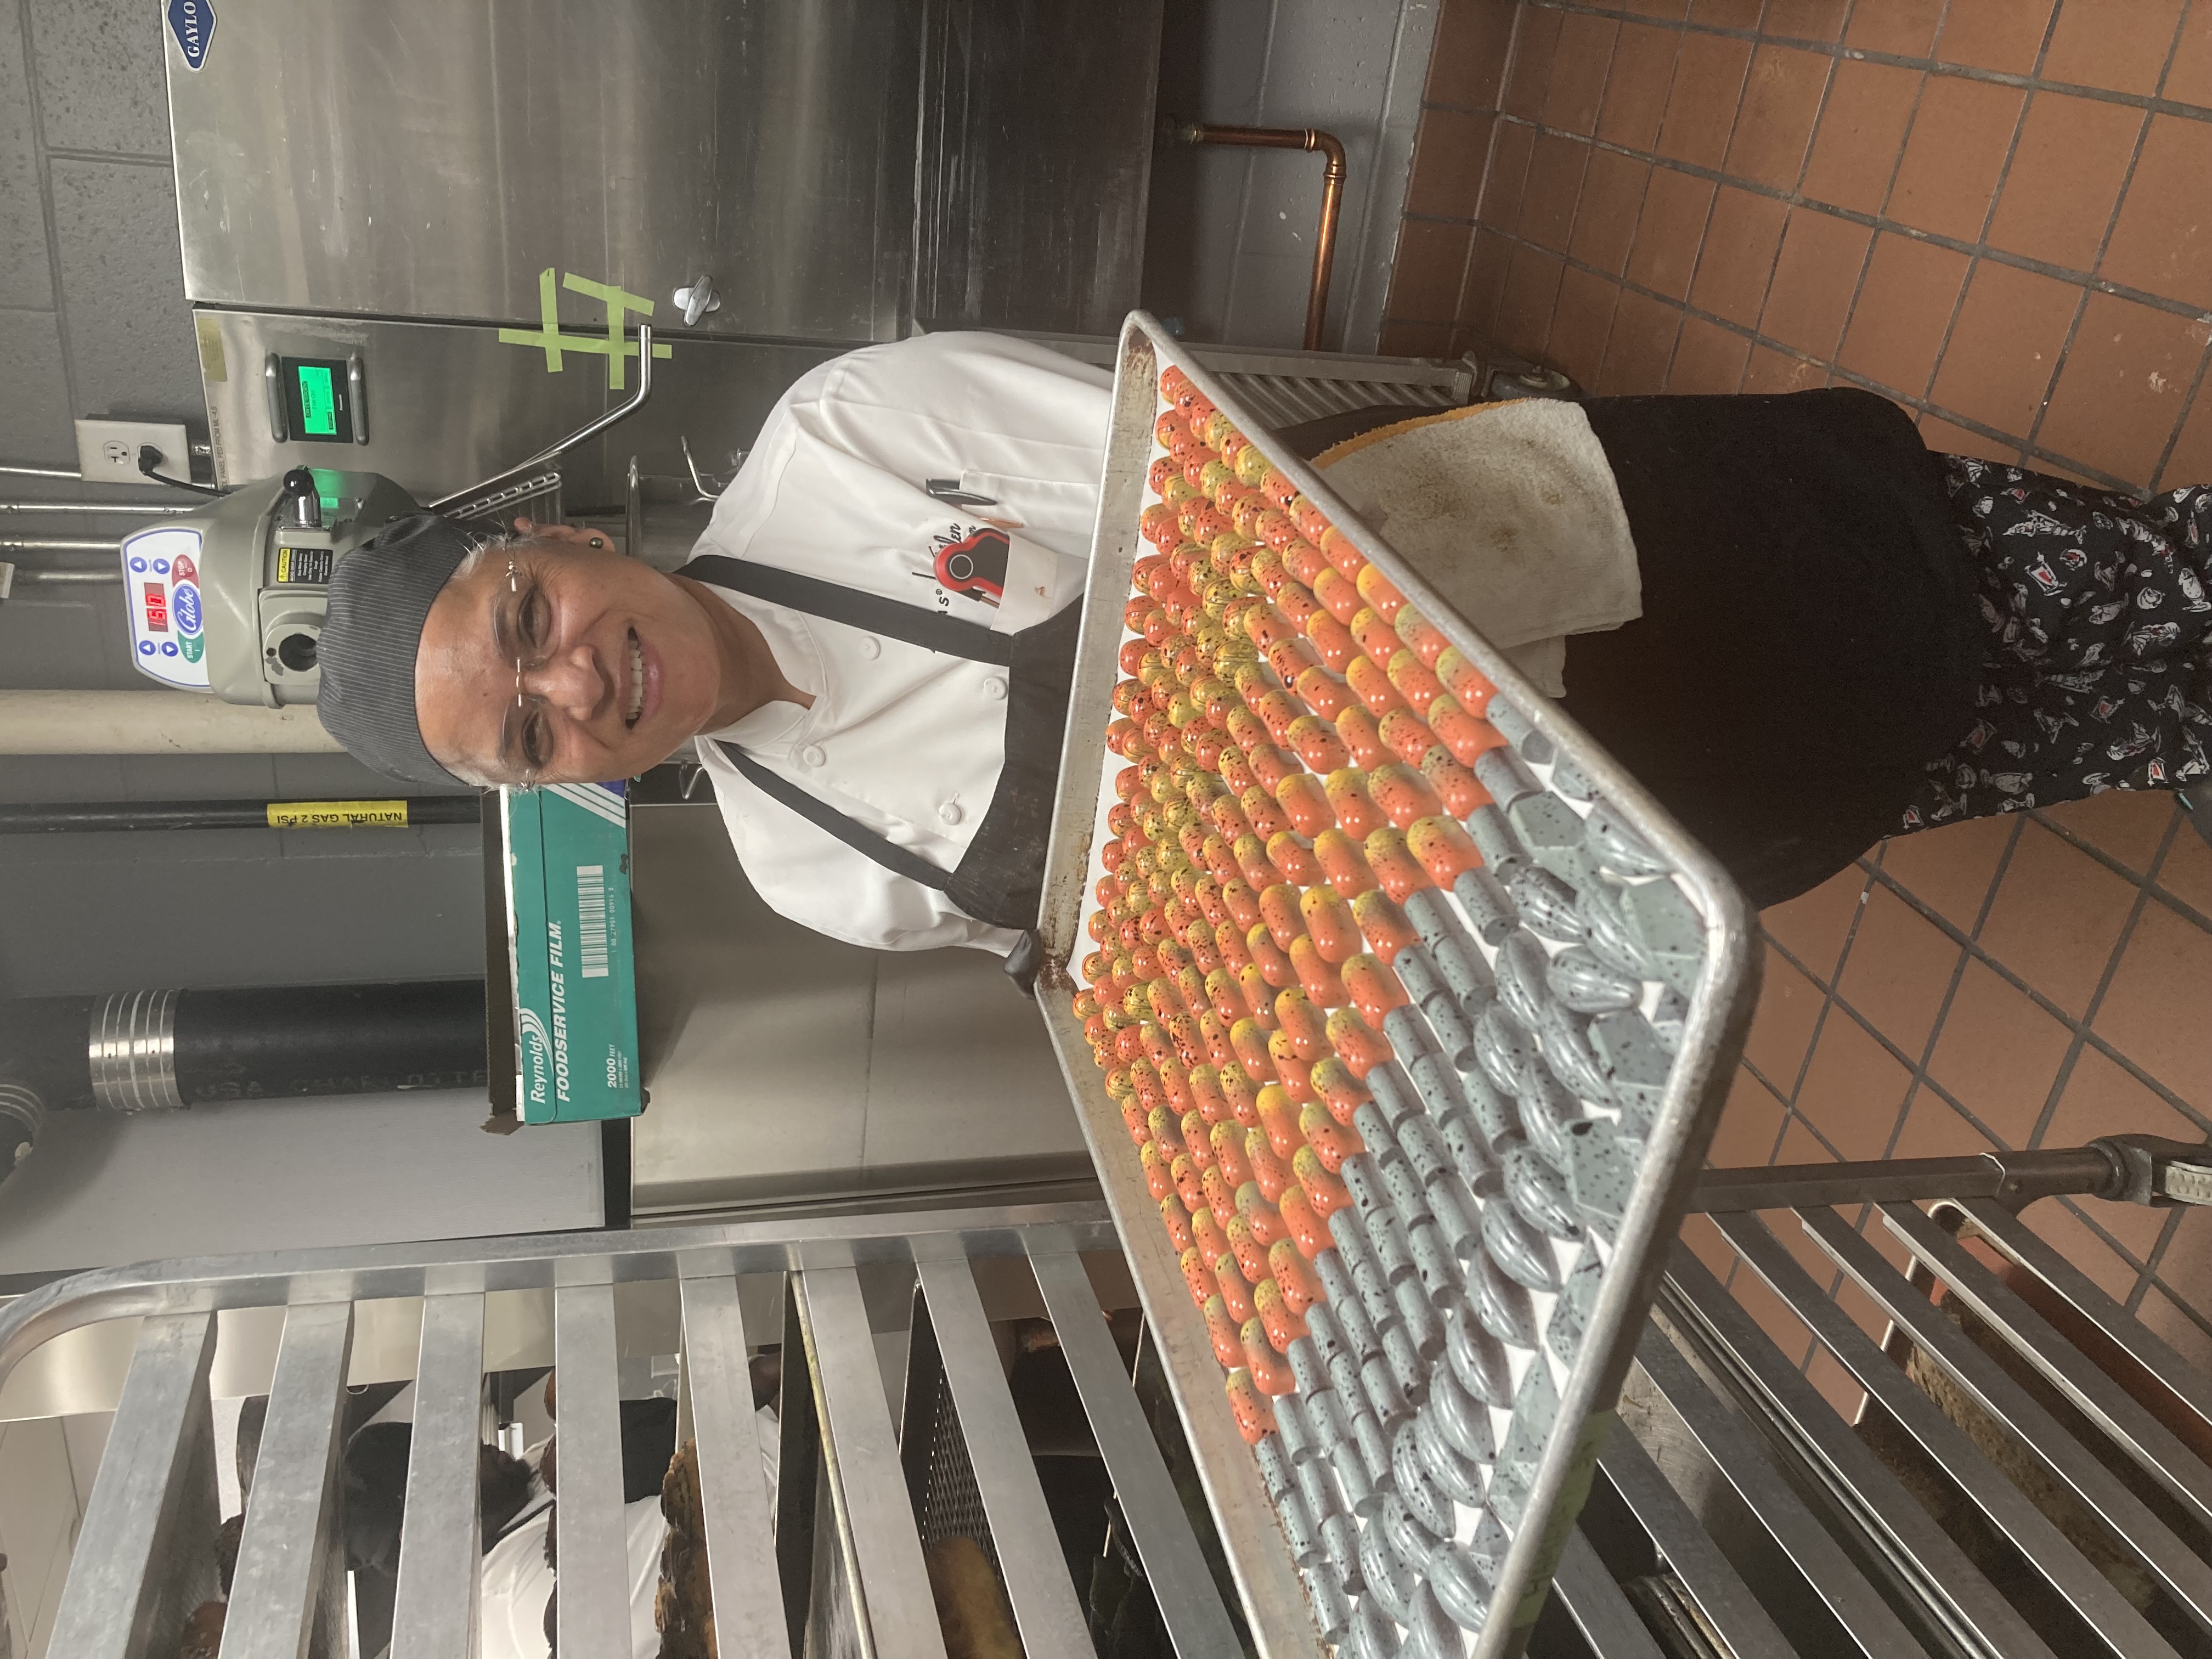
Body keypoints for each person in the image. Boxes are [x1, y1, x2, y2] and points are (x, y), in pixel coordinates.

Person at [314, 332, 2212, 945]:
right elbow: (1133, 936)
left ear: (550, 538)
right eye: (531, 737)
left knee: (2022, 590)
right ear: (552, 792)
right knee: (1977, 753)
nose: (577, 687)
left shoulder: (845, 439)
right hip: (1505, 808)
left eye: (530, 622)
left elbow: (1206, 481)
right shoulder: (807, 866)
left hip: (1554, 568)